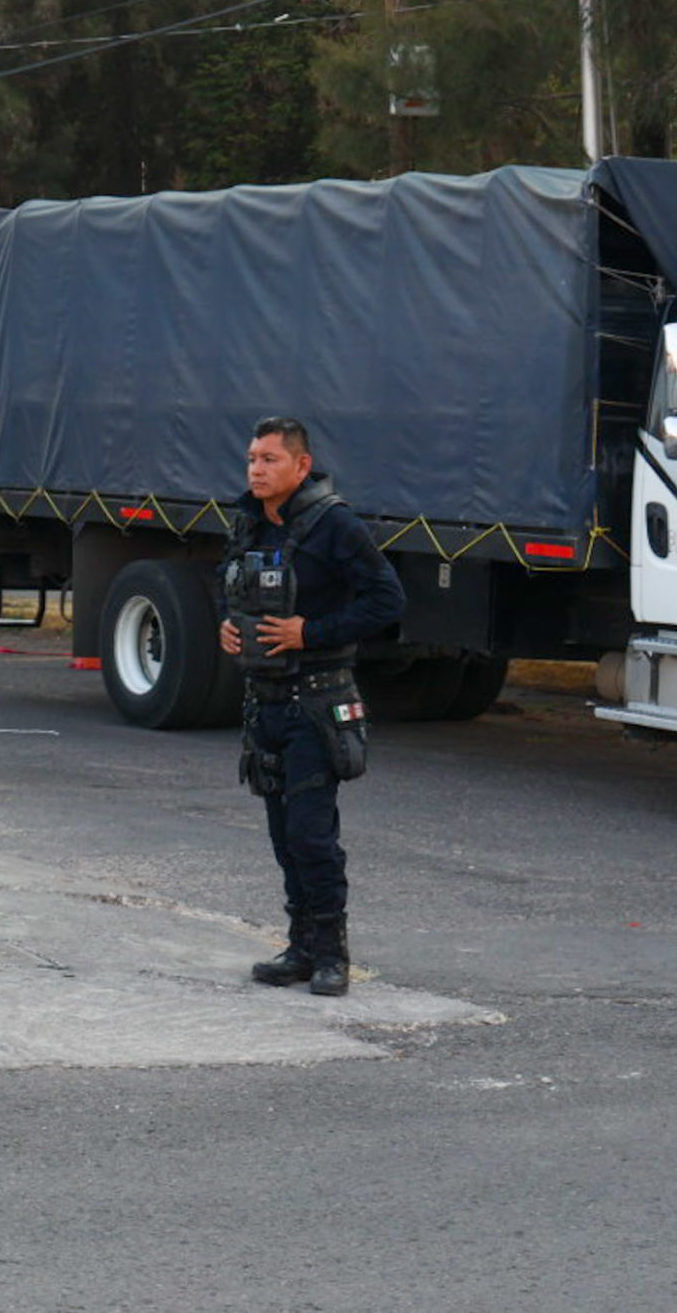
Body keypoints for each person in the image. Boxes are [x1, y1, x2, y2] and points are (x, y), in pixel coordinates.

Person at [216, 416, 404, 997]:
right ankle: (299, 947)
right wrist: (224, 626)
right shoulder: (248, 520)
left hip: (318, 701)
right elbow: (225, 587)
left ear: (301, 465)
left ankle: (331, 955)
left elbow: (386, 600)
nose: (255, 469)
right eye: (251, 458)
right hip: (264, 702)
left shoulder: (335, 525)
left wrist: (311, 631)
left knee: (311, 833)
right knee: (281, 833)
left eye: (269, 459)